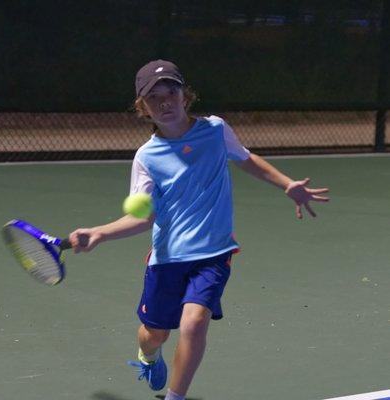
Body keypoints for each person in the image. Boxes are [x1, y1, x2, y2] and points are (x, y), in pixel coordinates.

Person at [69, 60, 330, 400]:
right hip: (167, 259)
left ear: (185, 95)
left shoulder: (216, 130)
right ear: (142, 108)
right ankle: (148, 356)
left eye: (171, 92)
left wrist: (287, 185)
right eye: (154, 98)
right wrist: (100, 233)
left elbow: (246, 159)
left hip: (214, 253)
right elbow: (143, 218)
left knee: (194, 322)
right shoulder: (147, 157)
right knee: (155, 334)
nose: (165, 103)